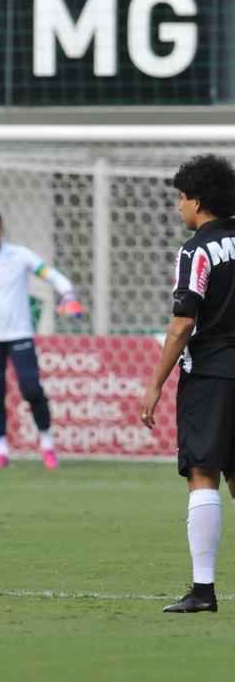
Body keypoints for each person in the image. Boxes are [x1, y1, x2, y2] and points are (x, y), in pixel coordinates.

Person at [139, 154, 235, 614]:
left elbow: (182, 323)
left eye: (181, 197)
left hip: (213, 373)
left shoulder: (197, 250)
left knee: (203, 474)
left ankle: (203, 590)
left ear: (199, 201)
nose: (179, 206)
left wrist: (155, 383)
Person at [0, 209, 83, 470]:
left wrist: (67, 293)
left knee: (31, 388)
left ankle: (47, 445)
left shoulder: (19, 256)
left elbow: (50, 274)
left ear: (1, 230)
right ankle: (1, 450)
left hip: (20, 334)